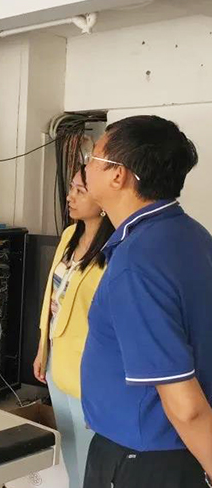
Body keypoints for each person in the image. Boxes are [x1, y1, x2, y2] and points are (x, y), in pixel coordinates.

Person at [81, 115, 212, 488]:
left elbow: (185, 406)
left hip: (144, 461)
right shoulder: (192, 235)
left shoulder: (136, 263)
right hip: (177, 452)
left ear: (118, 175)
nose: (86, 166)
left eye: (93, 157)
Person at [33, 166, 113, 488]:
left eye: (81, 190)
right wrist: (42, 347)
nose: (70, 196)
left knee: (88, 444)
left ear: (103, 200)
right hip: (57, 358)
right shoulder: (70, 235)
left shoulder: (113, 249)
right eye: (71, 188)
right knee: (67, 438)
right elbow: (50, 296)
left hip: (87, 367)